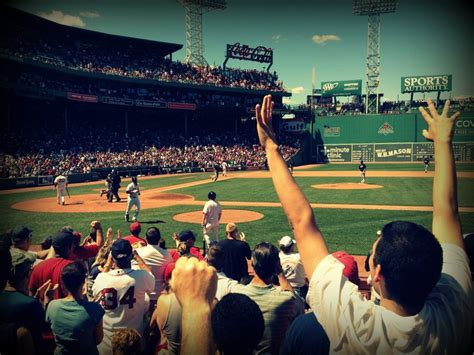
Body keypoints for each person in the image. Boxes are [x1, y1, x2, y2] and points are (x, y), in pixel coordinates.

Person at [255, 94, 472, 353]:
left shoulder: (354, 324)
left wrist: (270, 147)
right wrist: (443, 142)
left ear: (377, 275)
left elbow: (301, 220)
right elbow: (448, 213)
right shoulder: (454, 308)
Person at [234, 242, 303, 354]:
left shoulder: (237, 294)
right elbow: (297, 303)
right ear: (276, 265)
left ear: (252, 263)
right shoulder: (286, 300)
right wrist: (280, 272)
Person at [92, 239, 154, 354]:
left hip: (107, 345)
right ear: (131, 256)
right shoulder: (141, 276)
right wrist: (138, 258)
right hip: (134, 343)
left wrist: (108, 263)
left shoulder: (101, 279)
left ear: (112, 257)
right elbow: (151, 277)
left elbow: (96, 287)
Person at [46, 261, 104, 355]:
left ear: (63, 284)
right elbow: (98, 340)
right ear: (83, 282)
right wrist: (91, 307)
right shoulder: (95, 309)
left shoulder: (52, 306)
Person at [132, 227, 172, 310]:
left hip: (141, 297)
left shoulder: (138, 252)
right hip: (159, 297)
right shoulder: (167, 254)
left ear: (146, 239)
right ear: (159, 239)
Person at [29, 231, 76, 300]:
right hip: (64, 309)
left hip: (41, 309)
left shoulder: (38, 267)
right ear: (69, 247)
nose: (74, 246)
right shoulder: (72, 267)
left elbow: (31, 292)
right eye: (73, 245)